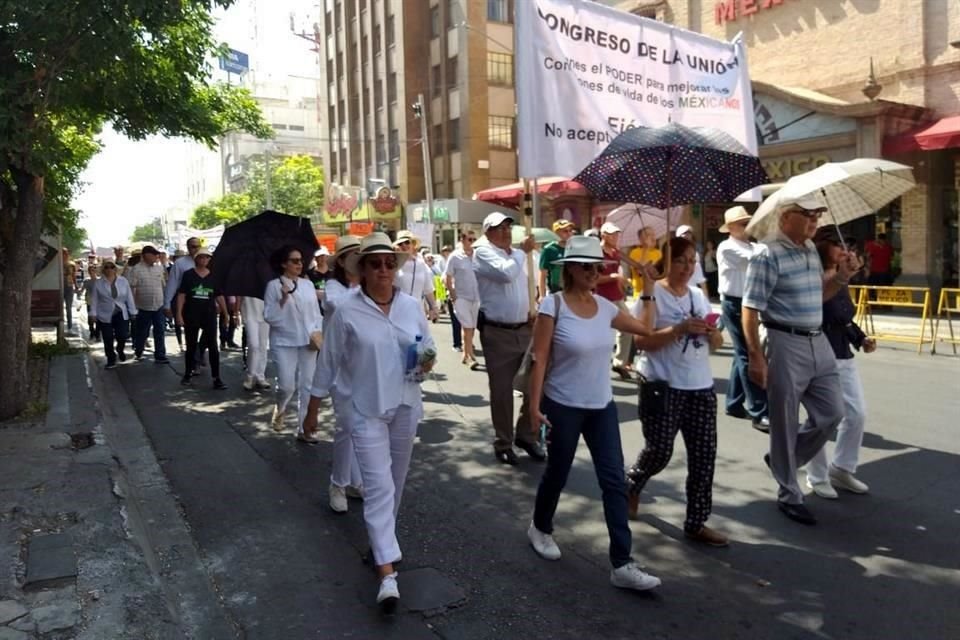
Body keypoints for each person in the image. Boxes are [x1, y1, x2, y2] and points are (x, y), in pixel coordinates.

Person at [309, 232, 436, 613]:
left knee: (395, 482)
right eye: (375, 264)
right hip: (365, 409)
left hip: (406, 404)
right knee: (378, 487)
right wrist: (313, 407)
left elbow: (427, 347)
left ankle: (381, 543)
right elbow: (329, 360)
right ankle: (387, 574)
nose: (383, 269)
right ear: (362, 269)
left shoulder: (410, 306)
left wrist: (425, 361)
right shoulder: (347, 310)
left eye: (389, 263)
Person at [526, 235, 661, 592]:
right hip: (563, 404)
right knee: (557, 472)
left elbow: (645, 329)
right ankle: (540, 527)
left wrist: (648, 288)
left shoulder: (605, 307)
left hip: (601, 406)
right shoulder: (553, 305)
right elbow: (540, 359)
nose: (593, 272)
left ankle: (622, 563)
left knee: (614, 481)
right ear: (570, 269)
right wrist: (533, 407)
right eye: (586, 266)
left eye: (597, 266)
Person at [742, 195, 855, 525]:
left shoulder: (808, 249)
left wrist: (841, 276)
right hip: (784, 339)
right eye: (807, 214)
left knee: (833, 412)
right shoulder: (766, 253)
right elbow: (750, 308)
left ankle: (784, 460)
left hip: (817, 339)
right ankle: (789, 493)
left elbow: (819, 294)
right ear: (785, 217)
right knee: (785, 420)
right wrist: (755, 357)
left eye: (817, 214)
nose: (814, 220)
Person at [626, 236, 728, 546]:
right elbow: (641, 341)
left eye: (692, 261)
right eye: (681, 260)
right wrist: (680, 329)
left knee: (704, 457)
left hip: (700, 386)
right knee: (659, 450)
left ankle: (697, 521)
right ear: (666, 262)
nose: (687, 267)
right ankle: (631, 485)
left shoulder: (698, 296)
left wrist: (712, 333)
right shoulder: (652, 294)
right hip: (662, 384)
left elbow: (717, 343)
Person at [805, 229, 875, 499]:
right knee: (822, 417)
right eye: (838, 245)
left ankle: (842, 468)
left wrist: (860, 338)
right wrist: (839, 277)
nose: (845, 251)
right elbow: (819, 311)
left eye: (849, 247)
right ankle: (817, 475)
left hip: (843, 353)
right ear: (822, 246)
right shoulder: (814, 277)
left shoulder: (840, 277)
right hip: (818, 352)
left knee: (856, 413)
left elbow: (843, 318)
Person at [474, 212, 543, 466]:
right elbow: (506, 274)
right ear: (488, 232)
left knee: (537, 383)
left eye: (508, 227)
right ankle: (504, 442)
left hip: (525, 328)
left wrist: (534, 309)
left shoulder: (519, 254)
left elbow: (530, 283)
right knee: (502, 390)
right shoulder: (483, 252)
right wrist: (523, 252)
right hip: (498, 332)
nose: (505, 232)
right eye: (499, 228)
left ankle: (527, 434)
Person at [304, 235, 364, 513]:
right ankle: (338, 484)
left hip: (365, 366)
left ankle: (354, 481)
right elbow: (340, 307)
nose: (359, 260)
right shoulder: (333, 287)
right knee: (347, 426)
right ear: (341, 261)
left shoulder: (366, 286)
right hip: (339, 367)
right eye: (353, 255)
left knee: (362, 427)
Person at [263, 245, 324, 442]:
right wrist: (282, 299)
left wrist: (318, 331)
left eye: (301, 260)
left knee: (308, 385)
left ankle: (304, 428)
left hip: (308, 340)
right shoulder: (273, 286)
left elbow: (315, 312)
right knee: (286, 386)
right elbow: (269, 317)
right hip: (284, 341)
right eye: (294, 261)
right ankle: (280, 407)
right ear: (284, 264)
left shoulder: (307, 285)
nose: (299, 264)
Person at [717, 206, 769, 432]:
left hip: (750, 303)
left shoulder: (753, 246)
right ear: (730, 227)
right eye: (743, 223)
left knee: (742, 354)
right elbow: (757, 260)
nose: (747, 227)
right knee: (749, 354)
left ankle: (734, 402)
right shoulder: (727, 246)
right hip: (734, 303)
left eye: (748, 223)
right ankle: (759, 410)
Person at [175, 247, 228, 390]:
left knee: (213, 346)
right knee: (191, 345)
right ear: (196, 259)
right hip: (191, 314)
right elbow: (182, 295)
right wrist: (179, 314)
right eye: (201, 257)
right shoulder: (188, 275)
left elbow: (219, 295)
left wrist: (226, 313)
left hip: (209, 314)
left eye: (207, 257)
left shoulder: (214, 276)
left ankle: (216, 377)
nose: (204, 260)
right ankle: (188, 373)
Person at [594, 222, 632, 379]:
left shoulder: (616, 253)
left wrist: (622, 286)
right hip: (601, 298)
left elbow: (620, 274)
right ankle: (598, 364)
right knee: (602, 334)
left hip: (617, 296)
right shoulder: (596, 252)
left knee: (628, 328)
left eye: (616, 234)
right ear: (603, 235)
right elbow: (594, 279)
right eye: (612, 234)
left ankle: (619, 363)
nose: (615, 237)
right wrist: (613, 277)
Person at [89, 260, 137, 369]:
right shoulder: (98, 283)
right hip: (104, 314)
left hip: (121, 312)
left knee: (122, 335)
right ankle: (111, 358)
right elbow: (94, 300)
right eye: (106, 267)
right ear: (103, 270)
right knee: (107, 337)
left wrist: (132, 311)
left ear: (115, 269)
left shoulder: (123, 281)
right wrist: (93, 314)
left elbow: (129, 297)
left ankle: (120, 349)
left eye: (112, 267)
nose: (109, 269)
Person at [126, 245, 169, 364]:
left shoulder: (159, 268)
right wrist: (133, 307)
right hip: (143, 307)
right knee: (142, 331)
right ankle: (139, 350)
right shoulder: (136, 269)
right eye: (154, 254)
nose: (156, 256)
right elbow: (132, 288)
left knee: (160, 330)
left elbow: (163, 285)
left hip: (158, 305)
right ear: (146, 255)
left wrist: (166, 303)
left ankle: (160, 354)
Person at [444, 230, 481, 367]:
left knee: (472, 327)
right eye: (470, 239)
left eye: (474, 239)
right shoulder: (455, 256)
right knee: (467, 327)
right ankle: (470, 356)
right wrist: (453, 295)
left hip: (476, 297)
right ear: (462, 240)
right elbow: (447, 277)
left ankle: (465, 354)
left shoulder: (478, 256)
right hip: (462, 297)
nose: (472, 242)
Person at [393, 230, 439, 321]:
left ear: (413, 244)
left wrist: (434, 307)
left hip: (417, 310)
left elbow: (428, 289)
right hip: (398, 310)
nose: (404, 246)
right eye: (400, 244)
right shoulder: (393, 264)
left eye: (407, 242)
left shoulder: (421, 264)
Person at [538, 219, 575, 296]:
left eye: (570, 231)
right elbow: (542, 275)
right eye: (565, 231)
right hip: (556, 293)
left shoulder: (575, 248)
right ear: (556, 233)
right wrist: (542, 296)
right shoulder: (549, 249)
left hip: (573, 293)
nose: (569, 233)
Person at [675, 225, 709, 298]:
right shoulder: (671, 254)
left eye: (689, 233)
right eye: (684, 233)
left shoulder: (695, 255)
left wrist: (706, 300)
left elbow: (700, 278)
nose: (687, 235)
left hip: (690, 293)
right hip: (674, 293)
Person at [628, 226, 662, 300]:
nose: (652, 237)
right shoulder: (635, 252)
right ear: (640, 239)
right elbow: (640, 271)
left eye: (653, 234)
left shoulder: (658, 253)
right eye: (648, 235)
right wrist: (646, 248)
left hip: (657, 292)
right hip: (640, 293)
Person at [81, 264, 100, 342]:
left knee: (98, 319)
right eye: (90, 270)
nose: (92, 271)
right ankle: (92, 332)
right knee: (90, 319)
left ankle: (97, 334)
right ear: (89, 272)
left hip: (99, 303)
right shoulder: (86, 281)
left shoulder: (100, 280)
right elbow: (82, 290)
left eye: (93, 270)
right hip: (90, 302)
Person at [62, 248, 78, 332]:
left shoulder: (71, 264)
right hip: (60, 287)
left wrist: (76, 285)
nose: (64, 255)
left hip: (69, 287)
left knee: (68, 307)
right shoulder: (57, 264)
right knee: (59, 308)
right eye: (62, 253)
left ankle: (69, 326)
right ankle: (61, 325)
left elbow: (73, 275)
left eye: (65, 253)